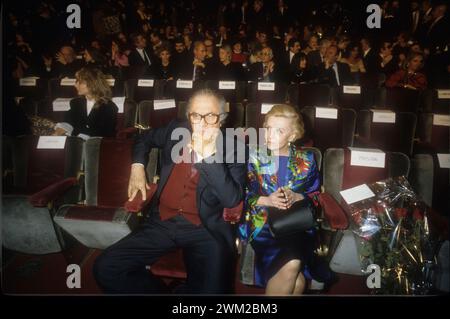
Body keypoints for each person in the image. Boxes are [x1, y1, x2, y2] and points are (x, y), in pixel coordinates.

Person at [93, 89, 247, 294]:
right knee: (106, 268)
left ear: (221, 119)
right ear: (188, 116)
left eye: (210, 116)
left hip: (205, 228)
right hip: (162, 222)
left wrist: (208, 157)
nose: (201, 123)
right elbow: (143, 138)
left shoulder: (234, 147)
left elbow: (231, 199)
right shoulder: (176, 130)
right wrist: (137, 166)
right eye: (195, 116)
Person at [239, 104, 321, 295]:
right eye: (267, 128)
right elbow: (237, 194)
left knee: (297, 281)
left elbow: (316, 195)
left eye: (279, 131)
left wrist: (299, 196)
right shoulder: (252, 157)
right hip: (264, 223)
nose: (269, 135)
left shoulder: (307, 160)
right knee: (293, 266)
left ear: (292, 136)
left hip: (297, 225)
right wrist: (266, 200)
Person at [53, 67, 118, 139]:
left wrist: (81, 138)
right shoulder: (76, 103)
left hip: (97, 145)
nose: (75, 85)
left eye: (79, 82)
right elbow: (69, 121)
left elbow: (104, 133)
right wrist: (58, 132)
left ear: (92, 84)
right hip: (76, 143)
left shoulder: (109, 107)